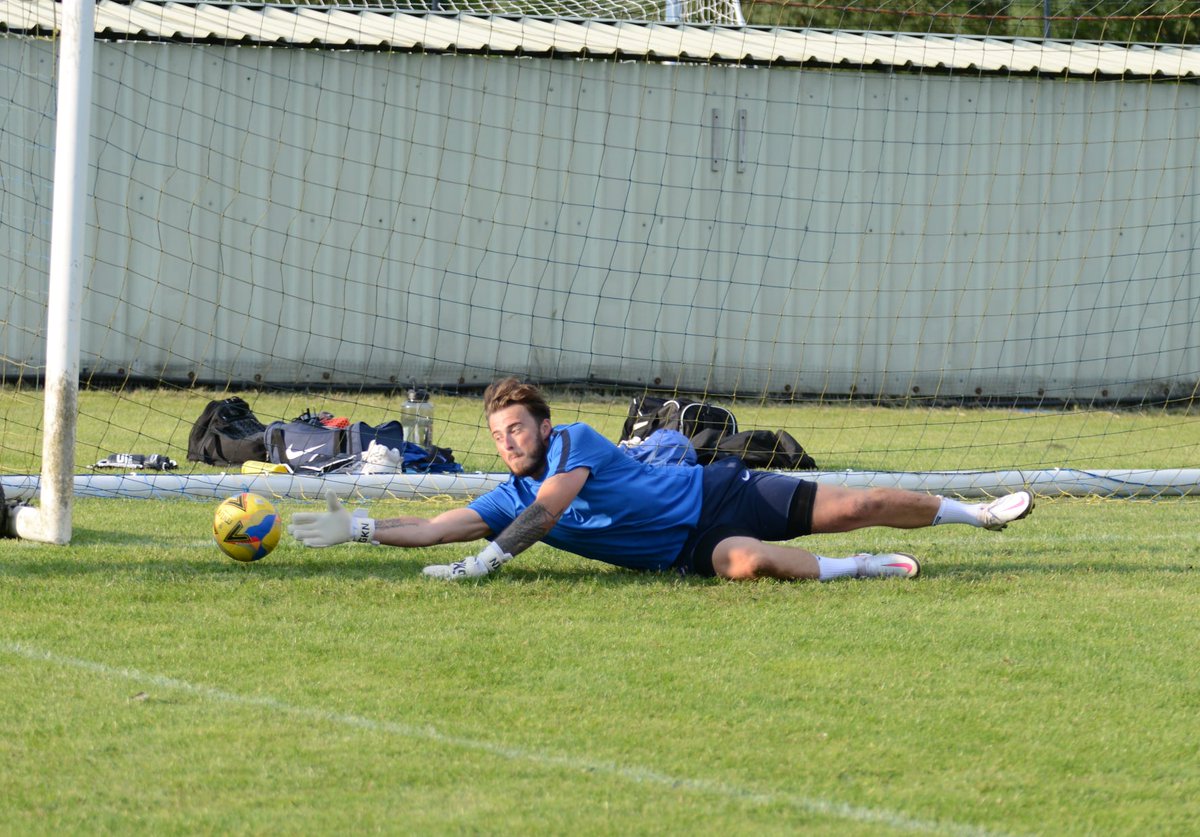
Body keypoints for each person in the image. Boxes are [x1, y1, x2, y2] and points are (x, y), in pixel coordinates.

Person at [287, 377, 1034, 581]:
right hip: (686, 549)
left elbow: (547, 515)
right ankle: (860, 569)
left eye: (516, 428)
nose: (508, 442)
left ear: (542, 426)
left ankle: (979, 514)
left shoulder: (574, 442)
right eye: (497, 435)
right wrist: (357, 527)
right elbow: (430, 527)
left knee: (859, 501)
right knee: (746, 565)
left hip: (719, 491)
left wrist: (482, 563)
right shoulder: (510, 495)